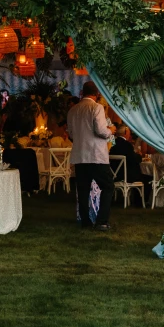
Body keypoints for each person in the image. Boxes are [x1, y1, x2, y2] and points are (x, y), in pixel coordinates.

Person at [66, 81, 115, 231]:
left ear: (83, 92)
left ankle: (85, 221)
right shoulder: (97, 107)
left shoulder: (72, 110)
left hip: (79, 155)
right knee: (108, 186)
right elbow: (100, 130)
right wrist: (111, 130)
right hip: (96, 155)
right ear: (97, 94)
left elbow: (71, 135)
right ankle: (101, 221)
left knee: (82, 189)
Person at [110, 126, 150, 207]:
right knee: (148, 179)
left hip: (115, 175)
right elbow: (134, 159)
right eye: (128, 132)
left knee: (138, 175)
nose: (130, 135)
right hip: (126, 175)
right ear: (125, 133)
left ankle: (135, 201)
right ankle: (140, 202)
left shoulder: (113, 144)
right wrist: (139, 156)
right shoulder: (127, 145)